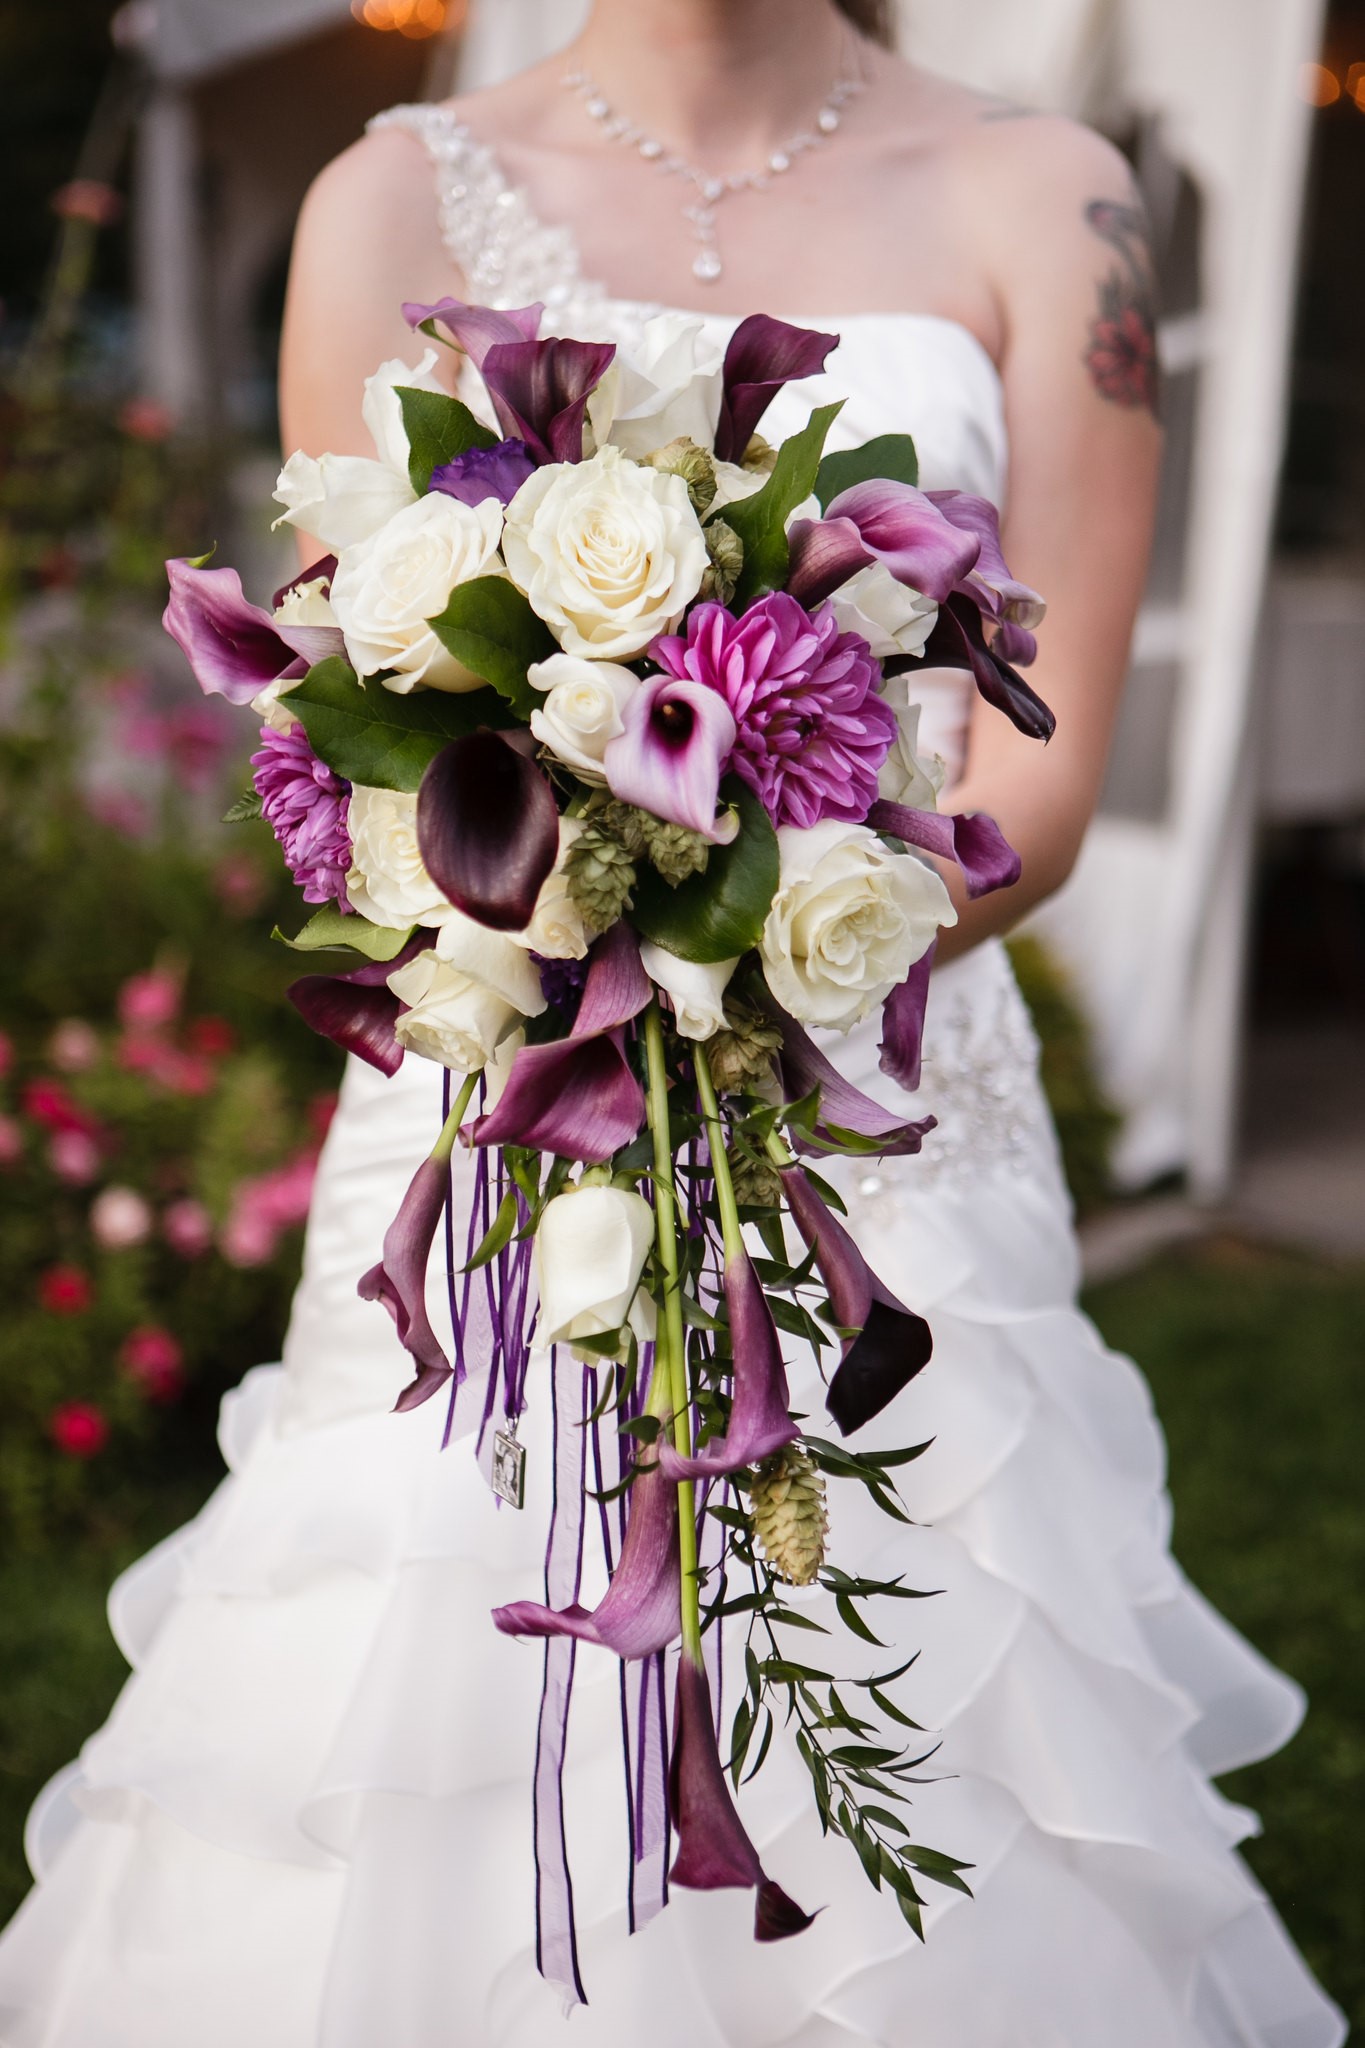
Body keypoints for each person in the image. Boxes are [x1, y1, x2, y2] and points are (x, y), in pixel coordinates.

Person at [0, 2, 1347, 2042]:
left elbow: (1040, 784)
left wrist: (760, 954)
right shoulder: (385, 198)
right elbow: (352, 736)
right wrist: (580, 958)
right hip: (502, 1112)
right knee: (412, 1700)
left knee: (922, 1692)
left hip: (888, 1095)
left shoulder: (1053, 203)